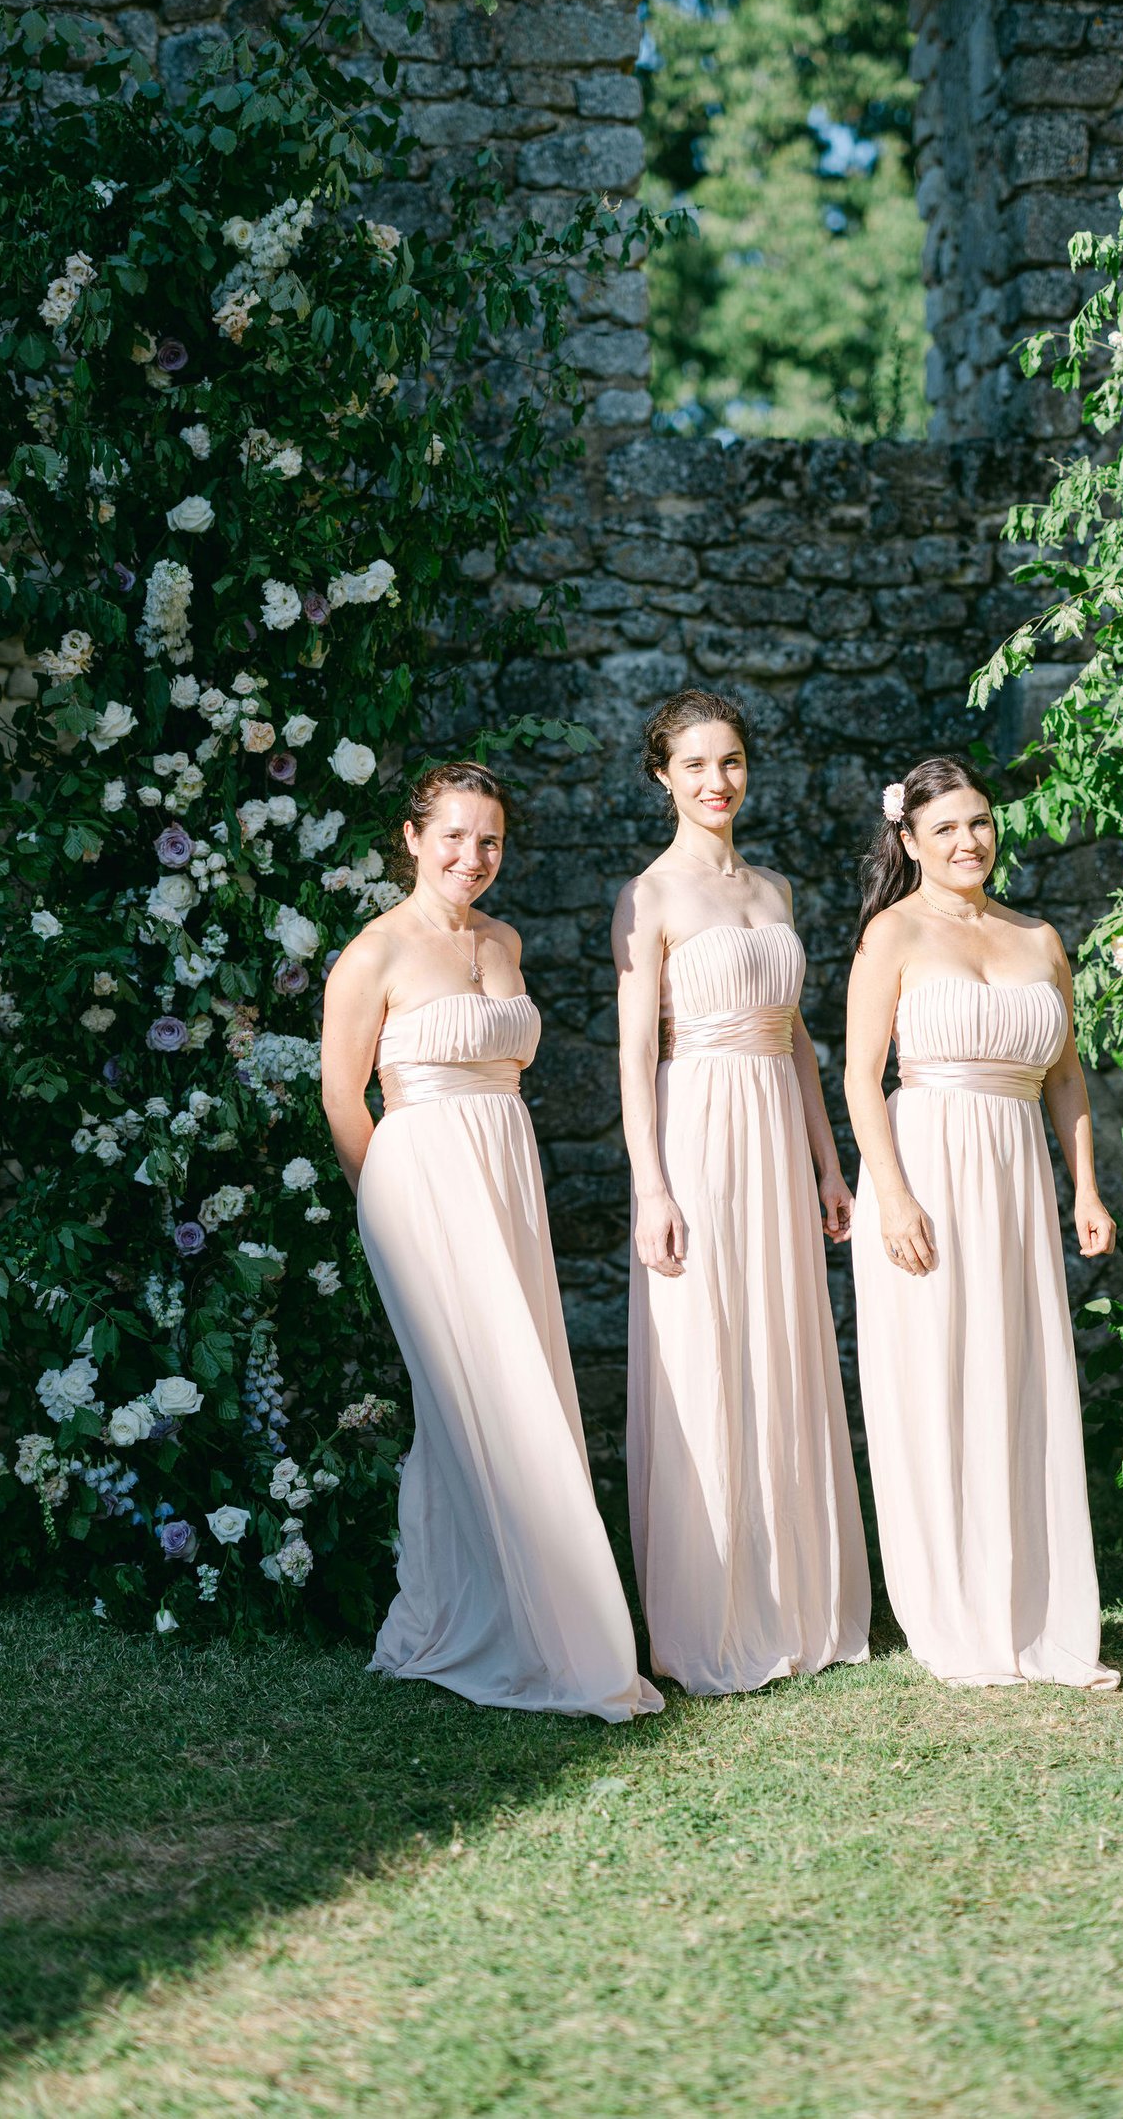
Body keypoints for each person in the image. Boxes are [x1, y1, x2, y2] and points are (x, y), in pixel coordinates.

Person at [322, 760, 662, 1722]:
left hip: (505, 1173)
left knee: (525, 1383)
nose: (473, 857)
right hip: (421, 1185)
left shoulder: (504, 940)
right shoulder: (374, 954)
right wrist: (388, 1202)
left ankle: (466, 1612)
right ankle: (546, 1630)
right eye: (456, 836)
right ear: (413, 836)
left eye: (491, 841)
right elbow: (343, 1098)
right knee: (475, 1396)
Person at [613, 688, 870, 1695]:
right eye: (695, 766)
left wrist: (828, 1161)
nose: (716, 782)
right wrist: (651, 1186)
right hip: (700, 1127)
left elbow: (797, 1036)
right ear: (662, 779)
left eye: (730, 763)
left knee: (784, 1343)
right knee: (707, 1347)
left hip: (774, 1123)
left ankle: (798, 1597)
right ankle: (709, 1611)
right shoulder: (650, 897)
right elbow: (637, 1051)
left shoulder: (774, 892)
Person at [844, 756, 1120, 1692]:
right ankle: (954, 1611)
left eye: (981, 822)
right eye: (947, 828)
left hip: (1013, 1176)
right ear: (911, 841)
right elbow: (858, 1077)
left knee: (1022, 1375)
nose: (969, 841)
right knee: (938, 1377)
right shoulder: (892, 934)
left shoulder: (1039, 938)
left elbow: (1068, 1077)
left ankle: (1038, 1613)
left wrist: (1084, 1189)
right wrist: (892, 1195)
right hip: (926, 1164)